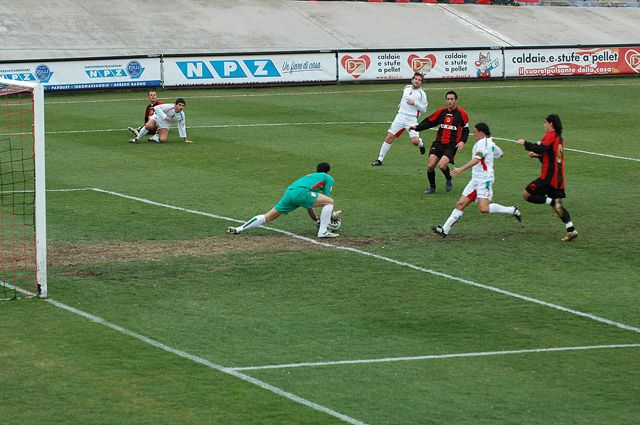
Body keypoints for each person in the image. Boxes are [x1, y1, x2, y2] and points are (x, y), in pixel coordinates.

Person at [432, 123, 521, 238]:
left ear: (481, 132)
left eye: (475, 131)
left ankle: (512, 210)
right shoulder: (490, 143)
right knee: (461, 204)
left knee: (484, 209)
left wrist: (460, 169)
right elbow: (500, 154)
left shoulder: (482, 143)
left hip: (484, 181)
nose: (473, 134)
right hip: (475, 180)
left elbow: (477, 159)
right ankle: (444, 230)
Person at [227, 162, 339, 238]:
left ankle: (239, 228)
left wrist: (316, 220)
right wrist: (331, 214)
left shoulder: (311, 177)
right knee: (330, 201)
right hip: (302, 192)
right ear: (328, 171)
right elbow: (327, 199)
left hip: (290, 192)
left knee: (268, 216)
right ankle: (323, 231)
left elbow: (308, 205)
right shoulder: (328, 178)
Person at [515, 114, 578, 242]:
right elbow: (550, 155)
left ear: (551, 124)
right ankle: (571, 230)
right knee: (558, 206)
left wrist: (525, 143)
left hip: (549, 178)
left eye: (545, 123)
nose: (544, 125)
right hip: (559, 177)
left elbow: (542, 148)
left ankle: (550, 201)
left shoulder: (551, 136)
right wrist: (537, 156)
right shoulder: (559, 138)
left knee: (526, 194)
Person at [410, 90, 469, 194]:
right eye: (448, 99)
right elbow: (429, 121)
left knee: (442, 165)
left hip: (451, 145)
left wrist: (462, 141)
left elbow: (466, 130)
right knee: (430, 166)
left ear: (456, 101)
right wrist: (417, 128)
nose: (450, 101)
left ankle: (448, 178)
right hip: (438, 143)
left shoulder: (462, 114)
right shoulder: (441, 112)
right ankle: (432, 187)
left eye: (452, 99)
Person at [372, 72, 428, 166]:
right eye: (416, 79)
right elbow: (403, 99)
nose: (417, 81)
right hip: (400, 117)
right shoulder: (406, 88)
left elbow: (424, 109)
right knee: (389, 137)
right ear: (412, 80)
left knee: (415, 141)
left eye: (419, 80)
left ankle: (421, 144)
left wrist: (415, 103)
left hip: (411, 119)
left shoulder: (422, 94)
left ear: (421, 83)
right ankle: (379, 159)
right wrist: (401, 104)